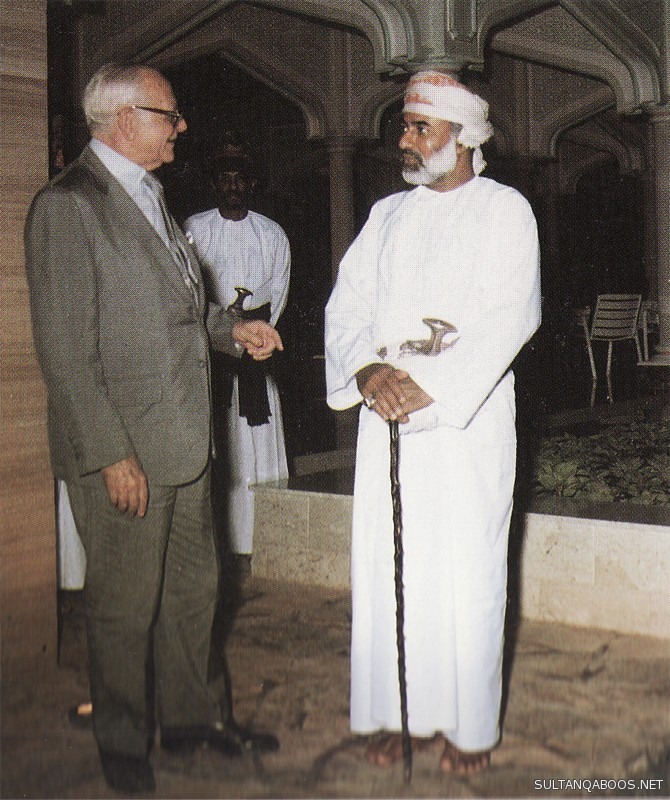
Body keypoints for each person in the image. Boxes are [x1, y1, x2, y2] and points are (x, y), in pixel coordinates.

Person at [25, 63, 282, 793]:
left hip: (182, 442)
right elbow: (65, 352)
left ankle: (196, 720)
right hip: (126, 450)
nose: (181, 127)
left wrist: (232, 331)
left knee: (194, 594)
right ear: (123, 119)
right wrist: (112, 454)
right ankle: (122, 742)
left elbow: (175, 313)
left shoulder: (149, 194)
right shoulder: (67, 206)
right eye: (169, 114)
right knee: (123, 605)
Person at [325, 70, 541, 775]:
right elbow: (347, 307)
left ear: (465, 137)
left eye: (421, 127)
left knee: (467, 568)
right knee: (390, 568)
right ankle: (400, 716)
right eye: (405, 126)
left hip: (463, 426)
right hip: (384, 416)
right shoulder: (387, 214)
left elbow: (514, 313)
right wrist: (366, 371)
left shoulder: (505, 210)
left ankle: (469, 726)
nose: (405, 139)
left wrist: (430, 385)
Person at [186, 145, 290, 567]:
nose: (232, 187)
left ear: (250, 184)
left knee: (257, 444)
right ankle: (219, 544)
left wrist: (252, 333)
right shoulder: (195, 228)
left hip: (253, 356)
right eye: (225, 179)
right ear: (215, 185)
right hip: (210, 349)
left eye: (239, 180)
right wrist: (220, 327)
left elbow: (278, 290)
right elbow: (186, 290)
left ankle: (260, 538)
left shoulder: (272, 234)